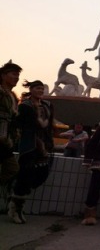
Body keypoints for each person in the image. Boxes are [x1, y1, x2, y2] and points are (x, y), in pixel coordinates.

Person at [8, 80, 54, 224]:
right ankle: (16, 208)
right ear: (31, 89)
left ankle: (16, 198)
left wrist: (49, 142)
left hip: (44, 145)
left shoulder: (47, 105)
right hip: (29, 144)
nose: (40, 91)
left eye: (42, 88)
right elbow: (21, 124)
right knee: (25, 174)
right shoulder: (25, 106)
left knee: (42, 173)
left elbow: (49, 125)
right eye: (37, 88)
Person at [0, 62, 22, 188]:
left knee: (12, 168)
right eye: (13, 74)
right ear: (3, 76)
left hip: (6, 139)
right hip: (2, 136)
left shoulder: (13, 95)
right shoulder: (1, 92)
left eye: (18, 75)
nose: (17, 78)